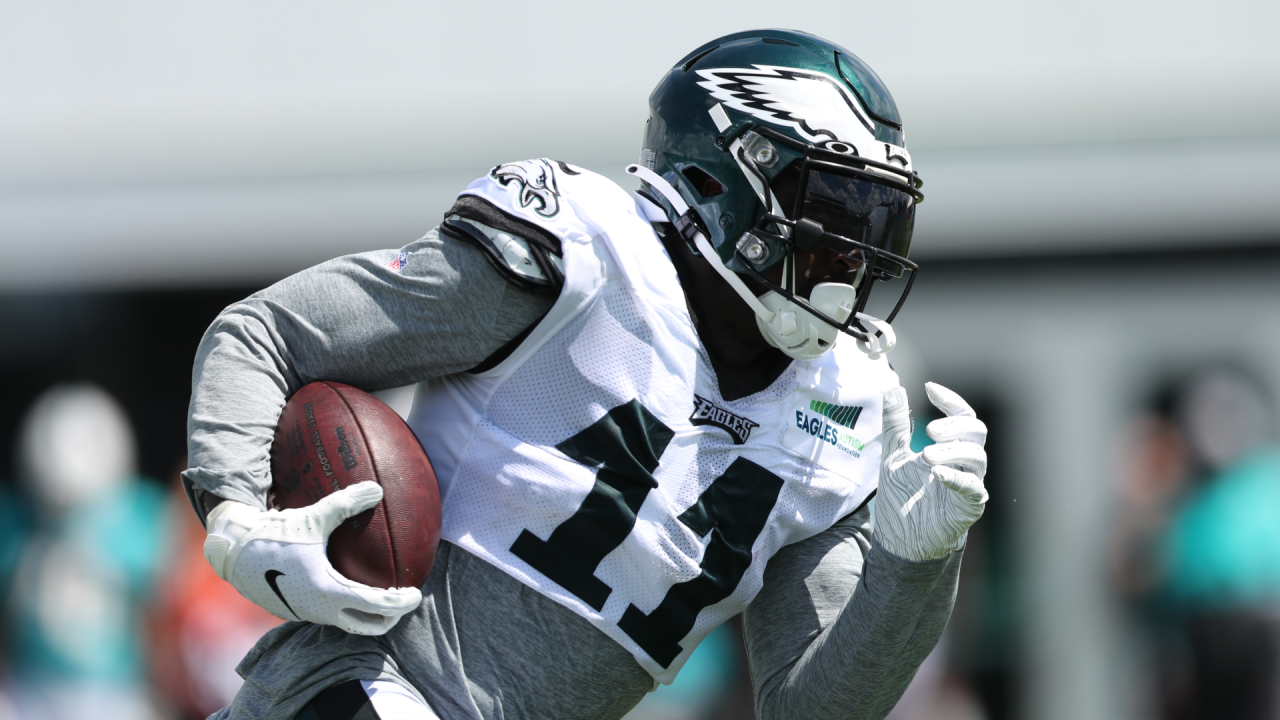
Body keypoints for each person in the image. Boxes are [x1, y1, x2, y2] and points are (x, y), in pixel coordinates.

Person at [185, 29, 990, 720]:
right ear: (726, 180)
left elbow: (813, 706)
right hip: (364, 687)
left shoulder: (845, 410)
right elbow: (264, 333)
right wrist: (234, 516)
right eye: (836, 212)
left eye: (878, 222)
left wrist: (914, 561)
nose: (853, 257)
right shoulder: (585, 262)